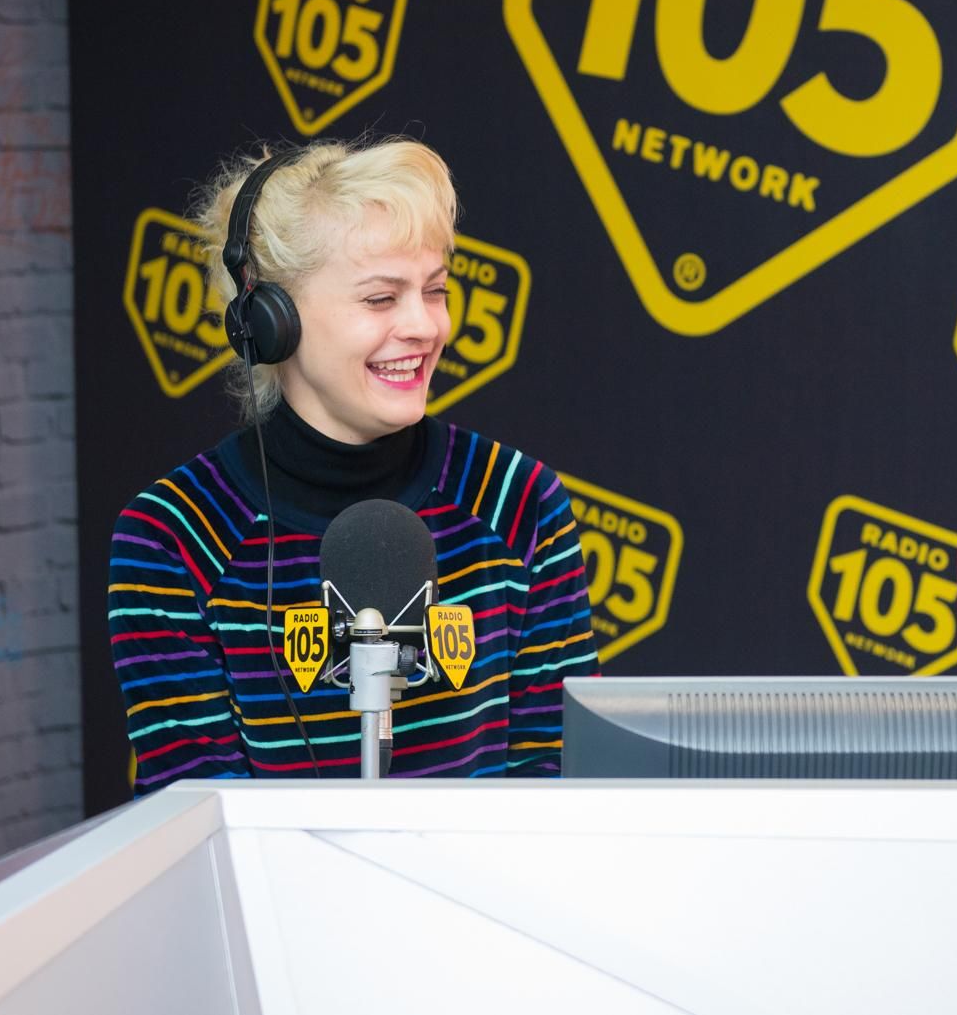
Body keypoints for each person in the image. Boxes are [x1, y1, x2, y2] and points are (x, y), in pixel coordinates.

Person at [107, 138, 596, 793]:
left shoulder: (518, 501)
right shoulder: (173, 537)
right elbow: (196, 817)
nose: (425, 326)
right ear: (269, 317)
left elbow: (562, 783)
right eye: (380, 299)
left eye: (435, 290)